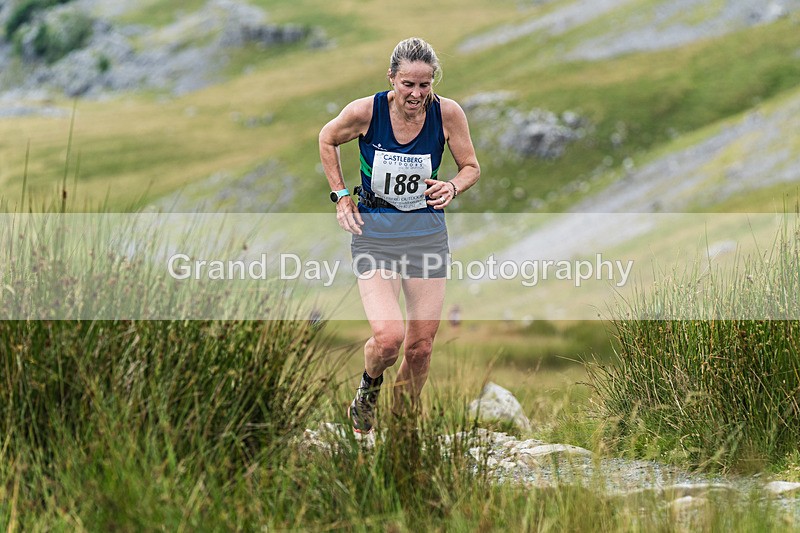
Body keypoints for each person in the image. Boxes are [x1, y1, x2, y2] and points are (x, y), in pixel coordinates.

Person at [318, 37, 480, 433]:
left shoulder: (447, 114)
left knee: (421, 348)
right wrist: (341, 196)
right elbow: (327, 138)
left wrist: (453, 186)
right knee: (389, 338)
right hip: (375, 235)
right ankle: (368, 388)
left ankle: (400, 430)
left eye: (425, 85)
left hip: (426, 235)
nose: (416, 94)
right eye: (408, 84)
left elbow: (471, 167)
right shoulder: (366, 112)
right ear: (392, 78)